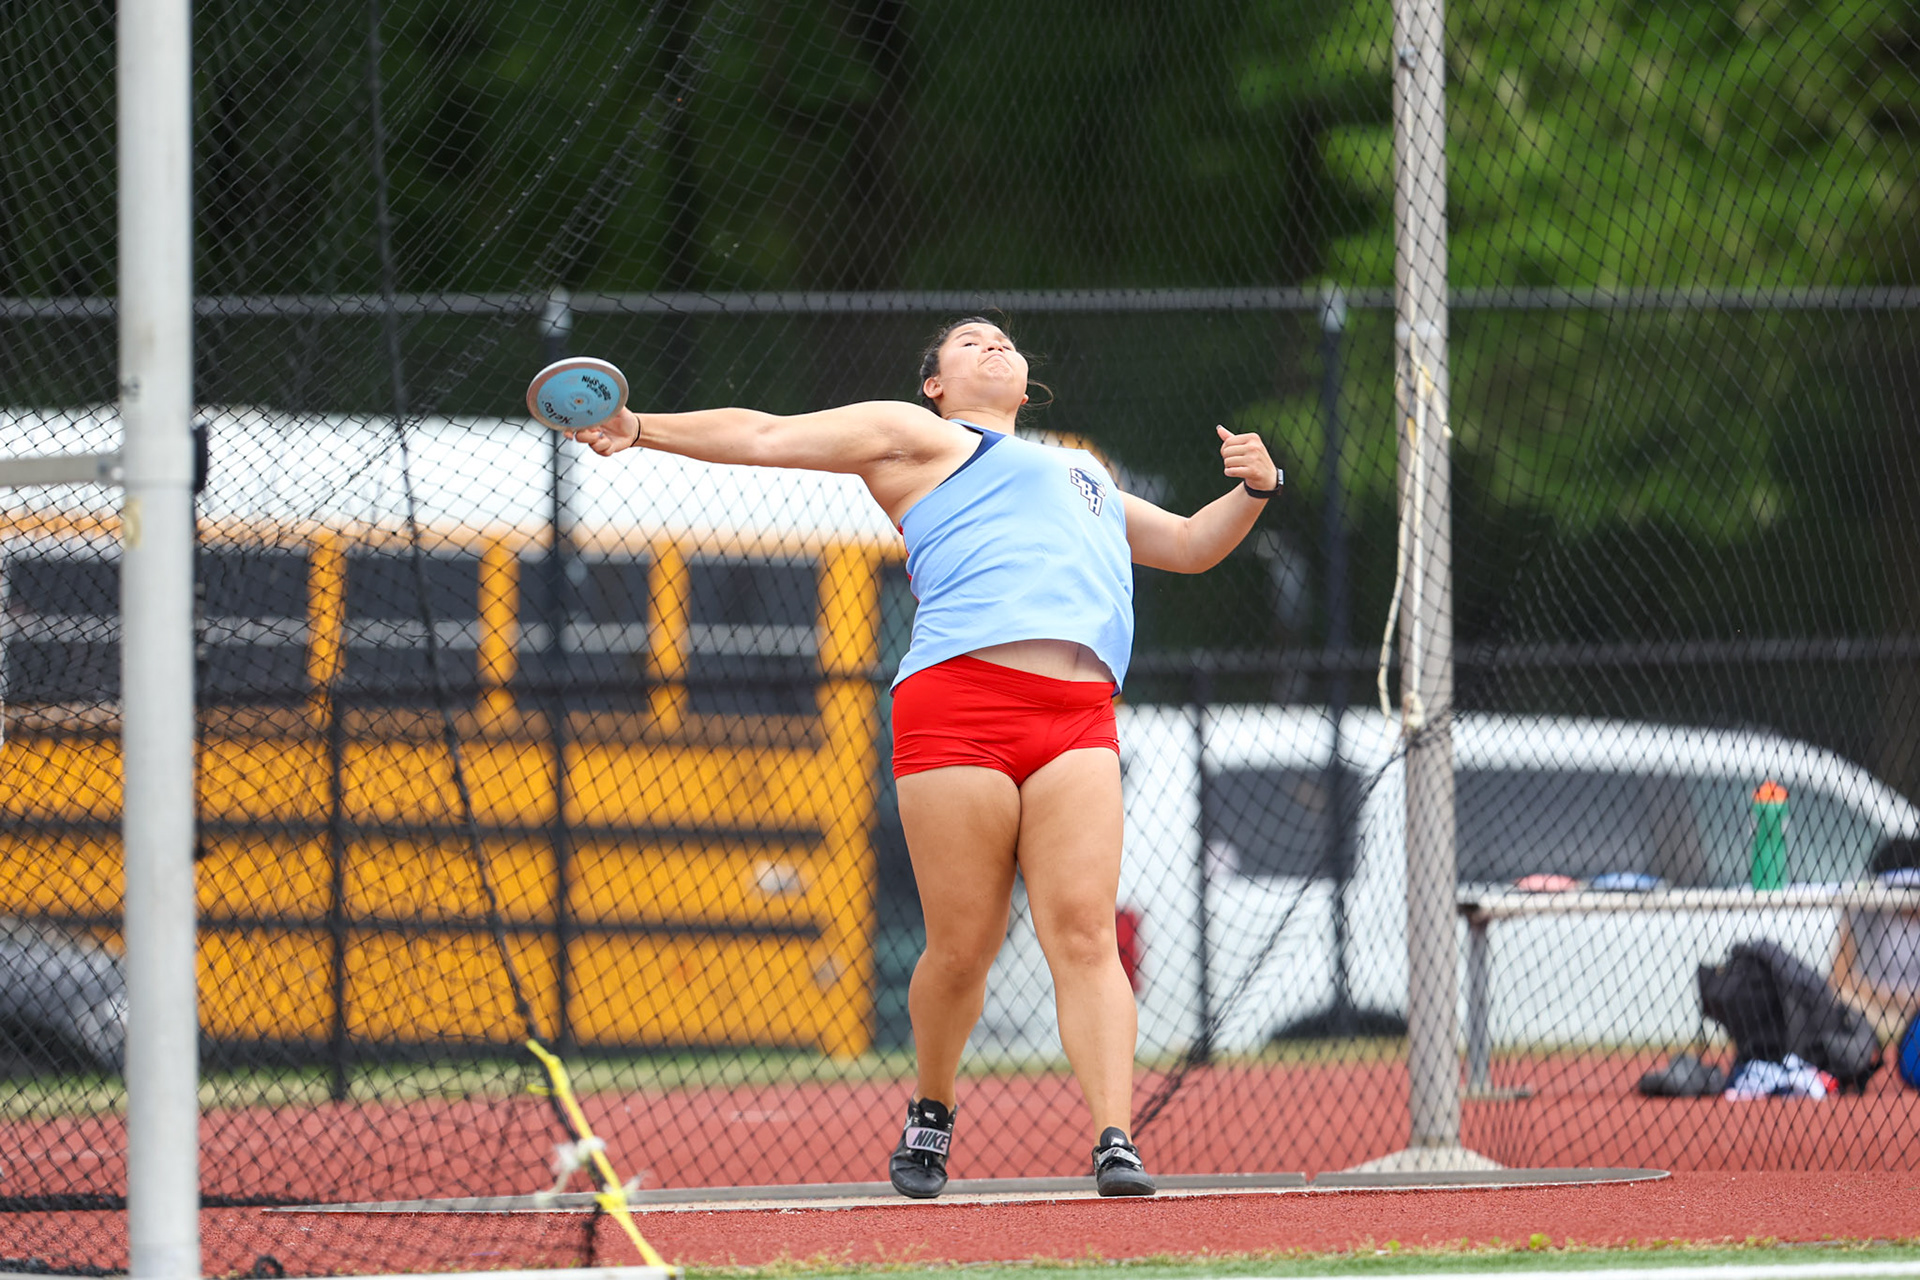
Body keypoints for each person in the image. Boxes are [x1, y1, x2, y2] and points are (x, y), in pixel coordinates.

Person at [567, 317, 1280, 1198]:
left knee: (1088, 933)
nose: (992, 344)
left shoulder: (1082, 472)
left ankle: (1114, 1139)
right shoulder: (919, 436)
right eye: (968, 340)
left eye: (1004, 340)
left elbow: (1184, 546)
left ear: (1027, 380)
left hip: (1079, 714)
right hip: (960, 707)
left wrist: (1255, 489)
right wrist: (639, 429)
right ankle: (932, 1111)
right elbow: (763, 436)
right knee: (962, 946)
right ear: (934, 384)